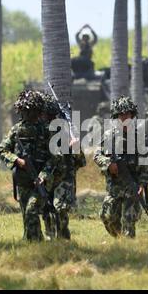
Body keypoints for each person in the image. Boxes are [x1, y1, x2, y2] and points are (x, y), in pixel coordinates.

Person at [0, 90, 58, 242]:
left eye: (32, 111)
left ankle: (36, 243)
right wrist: (17, 160)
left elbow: (54, 158)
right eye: (25, 111)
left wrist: (43, 176)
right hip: (23, 180)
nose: (28, 114)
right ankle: (33, 242)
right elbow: (2, 150)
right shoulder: (17, 130)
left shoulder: (46, 131)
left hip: (41, 181)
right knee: (26, 216)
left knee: (32, 210)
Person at [93, 95, 148, 238]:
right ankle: (119, 240)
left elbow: (145, 163)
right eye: (121, 114)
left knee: (129, 220)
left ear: (132, 115)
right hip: (115, 187)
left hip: (133, 186)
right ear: (116, 116)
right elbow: (97, 155)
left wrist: (142, 185)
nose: (125, 117)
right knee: (107, 217)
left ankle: (128, 248)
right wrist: (108, 164)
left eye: (127, 114)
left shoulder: (139, 137)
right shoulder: (108, 136)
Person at [40, 93, 86, 240]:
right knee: (47, 211)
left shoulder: (66, 134)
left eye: (51, 117)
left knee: (60, 209)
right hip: (46, 178)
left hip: (64, 179)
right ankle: (50, 240)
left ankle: (63, 239)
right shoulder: (40, 133)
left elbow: (81, 162)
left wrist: (76, 149)